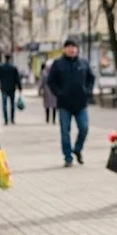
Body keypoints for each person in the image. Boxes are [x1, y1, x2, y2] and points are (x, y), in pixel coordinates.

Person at [48, 39, 95, 167]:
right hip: (64, 104)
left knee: (84, 128)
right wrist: (59, 93)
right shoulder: (58, 64)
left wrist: (88, 92)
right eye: (69, 47)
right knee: (65, 132)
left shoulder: (83, 63)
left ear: (77, 49)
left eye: (74, 47)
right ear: (64, 49)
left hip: (81, 103)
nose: (72, 49)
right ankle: (68, 157)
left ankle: (78, 149)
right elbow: (51, 81)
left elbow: (91, 78)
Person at [0, 54, 22, 125]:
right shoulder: (13, 68)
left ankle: (6, 120)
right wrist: (19, 87)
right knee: (12, 104)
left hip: (4, 88)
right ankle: (12, 119)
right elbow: (17, 79)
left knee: (4, 105)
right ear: (10, 59)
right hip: (12, 88)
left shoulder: (1, 68)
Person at [37, 60, 58, 124]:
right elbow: (41, 81)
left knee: (49, 105)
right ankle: (52, 119)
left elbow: (41, 82)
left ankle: (48, 119)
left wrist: (39, 89)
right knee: (52, 105)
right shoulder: (54, 72)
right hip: (51, 90)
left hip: (49, 90)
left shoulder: (45, 72)